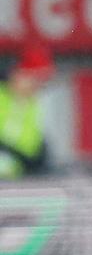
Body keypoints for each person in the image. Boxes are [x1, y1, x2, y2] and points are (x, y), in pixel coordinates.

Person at [0, 45, 54, 179]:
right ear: (18, 73)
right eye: (33, 79)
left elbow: (32, 145)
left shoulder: (33, 106)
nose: (36, 86)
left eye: (41, 82)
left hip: (17, 180)